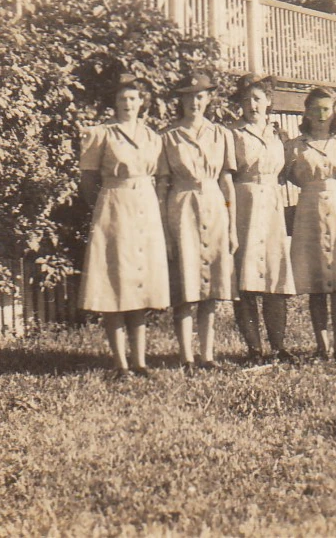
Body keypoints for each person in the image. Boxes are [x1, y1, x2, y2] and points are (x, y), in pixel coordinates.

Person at [78, 73, 170, 379]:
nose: (128, 104)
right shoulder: (101, 134)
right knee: (115, 283)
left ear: (142, 102)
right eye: (122, 98)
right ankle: (120, 363)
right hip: (114, 209)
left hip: (145, 209)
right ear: (114, 103)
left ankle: (141, 361)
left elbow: (158, 177)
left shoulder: (153, 137)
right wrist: (105, 207)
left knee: (140, 283)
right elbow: (88, 181)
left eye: (133, 98)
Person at [157, 72, 237, 376]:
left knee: (212, 287)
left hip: (215, 205)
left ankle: (207, 355)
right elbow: (161, 186)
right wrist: (165, 231)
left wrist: (231, 226)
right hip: (182, 206)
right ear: (181, 100)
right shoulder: (168, 136)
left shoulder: (221, 135)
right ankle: (186, 356)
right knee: (186, 285)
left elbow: (227, 183)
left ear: (209, 98)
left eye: (200, 96)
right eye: (189, 96)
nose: (195, 102)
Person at [284, 87, 336, 363]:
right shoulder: (295, 146)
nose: (320, 115)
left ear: (334, 112)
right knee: (314, 281)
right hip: (309, 210)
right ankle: (322, 345)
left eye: (326, 109)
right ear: (306, 111)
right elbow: (285, 175)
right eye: (315, 108)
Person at [230, 73, 296, 365]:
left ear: (269, 101)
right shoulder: (233, 134)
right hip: (243, 202)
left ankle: (279, 346)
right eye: (246, 100)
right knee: (246, 278)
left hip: (271, 204)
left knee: (274, 275)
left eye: (257, 99)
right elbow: (226, 175)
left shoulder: (279, 135)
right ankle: (254, 349)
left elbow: (289, 172)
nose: (251, 105)